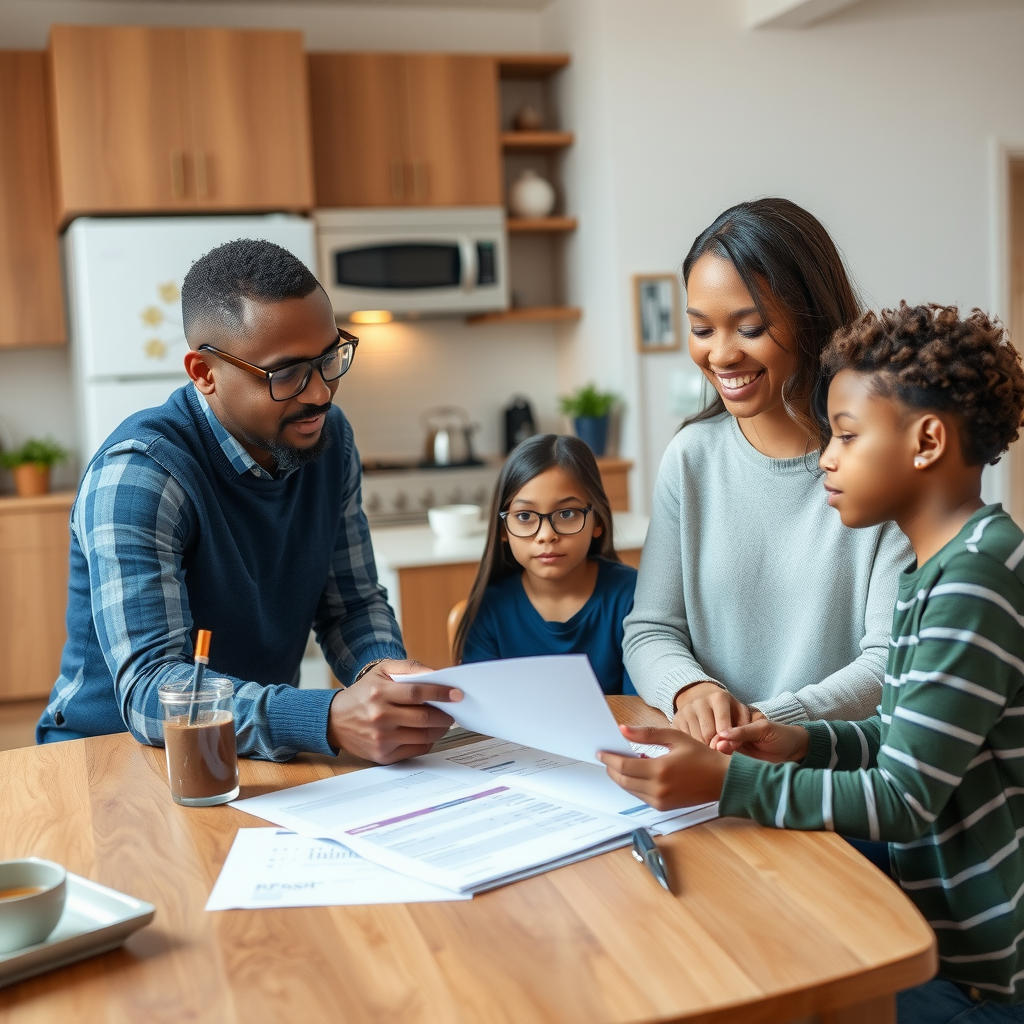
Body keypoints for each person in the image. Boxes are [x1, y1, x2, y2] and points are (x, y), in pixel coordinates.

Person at [601, 303, 1024, 1020]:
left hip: (976, 970)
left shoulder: (973, 584)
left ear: (926, 441)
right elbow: (904, 734)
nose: (826, 457)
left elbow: (901, 799)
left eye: (848, 436)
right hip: (937, 925)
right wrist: (798, 740)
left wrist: (731, 779)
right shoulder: (946, 564)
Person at [37, 239, 460, 762]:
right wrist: (324, 718)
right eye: (286, 374)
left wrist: (381, 675)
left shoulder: (329, 440)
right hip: (105, 758)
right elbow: (152, 694)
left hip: (246, 750)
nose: (321, 393)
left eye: (330, 358)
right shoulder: (140, 475)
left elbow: (350, 604)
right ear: (204, 373)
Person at [625, 198, 911, 741]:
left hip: (833, 776)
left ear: (812, 321)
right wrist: (690, 689)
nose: (721, 355)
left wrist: (769, 723)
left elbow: (887, 662)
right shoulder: (691, 458)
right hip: (715, 766)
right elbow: (651, 629)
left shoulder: (877, 466)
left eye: (750, 328)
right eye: (702, 330)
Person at [454, 434, 637, 694]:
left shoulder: (631, 597)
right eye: (525, 516)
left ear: (597, 521)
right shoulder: (490, 608)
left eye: (566, 513)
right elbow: (484, 717)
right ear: (503, 528)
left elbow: (642, 718)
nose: (546, 535)